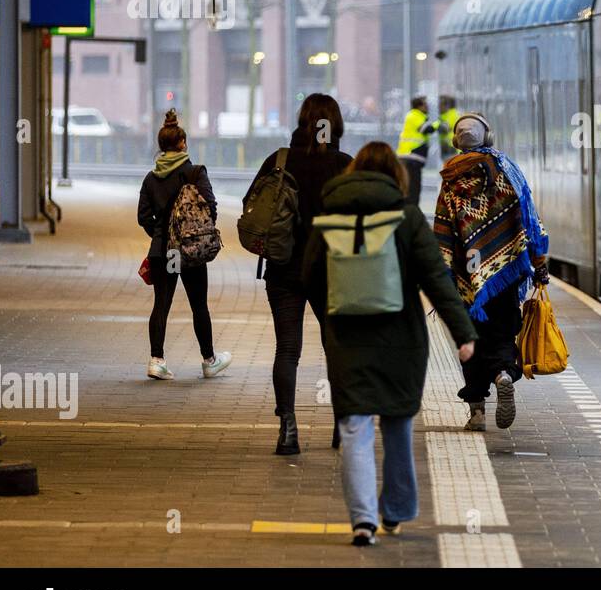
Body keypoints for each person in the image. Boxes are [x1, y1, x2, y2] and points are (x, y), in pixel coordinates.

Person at [302, 142, 478, 546]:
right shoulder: (408, 217)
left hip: (347, 341)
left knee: (353, 427)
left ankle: (363, 521)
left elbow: (309, 275)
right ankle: (395, 511)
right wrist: (464, 335)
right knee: (398, 423)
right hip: (403, 341)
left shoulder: (329, 215)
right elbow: (437, 278)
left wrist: (336, 306)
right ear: (395, 176)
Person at [247, 94, 353, 455]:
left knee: (287, 349)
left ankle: (288, 429)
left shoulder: (278, 161)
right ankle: (341, 427)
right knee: (336, 350)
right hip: (332, 274)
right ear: (334, 124)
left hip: (284, 269)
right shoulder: (345, 166)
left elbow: (253, 210)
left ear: (301, 121)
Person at [433, 112, 549, 432]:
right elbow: (530, 223)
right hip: (504, 276)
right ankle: (502, 374)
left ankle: (477, 412)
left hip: (465, 283)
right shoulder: (507, 171)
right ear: (489, 137)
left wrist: (441, 279)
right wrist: (539, 266)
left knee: (470, 344)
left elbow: (442, 233)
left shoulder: (450, 179)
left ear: (457, 142)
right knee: (501, 334)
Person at [137, 109, 232, 381]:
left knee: (161, 305)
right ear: (182, 143)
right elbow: (210, 208)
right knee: (198, 305)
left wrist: (160, 235)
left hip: (163, 251)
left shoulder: (150, 178)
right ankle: (209, 360)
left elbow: (143, 216)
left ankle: (156, 360)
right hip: (189, 251)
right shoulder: (195, 173)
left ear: (160, 146)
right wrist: (191, 234)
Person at [396, 95, 435, 208]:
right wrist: (438, 124)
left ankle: (410, 211)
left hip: (411, 158)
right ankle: (411, 213)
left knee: (411, 187)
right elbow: (426, 129)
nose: (427, 106)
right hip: (410, 158)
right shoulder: (415, 115)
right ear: (419, 106)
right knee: (412, 188)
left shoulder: (416, 115)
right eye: (425, 104)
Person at [435, 95, 461, 164]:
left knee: (450, 168)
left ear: (447, 106)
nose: (439, 107)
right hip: (448, 146)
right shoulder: (448, 114)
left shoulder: (452, 114)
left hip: (450, 147)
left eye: (440, 105)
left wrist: (434, 125)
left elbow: (444, 129)